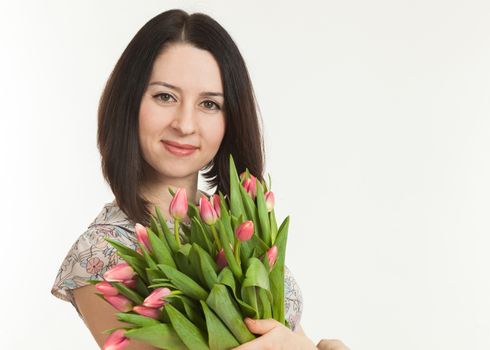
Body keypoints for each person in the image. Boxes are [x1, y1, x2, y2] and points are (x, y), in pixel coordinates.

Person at [50, 9, 350, 350]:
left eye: (209, 104)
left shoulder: (238, 227)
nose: (186, 124)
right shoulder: (103, 251)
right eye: (165, 96)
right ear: (129, 103)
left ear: (230, 120)